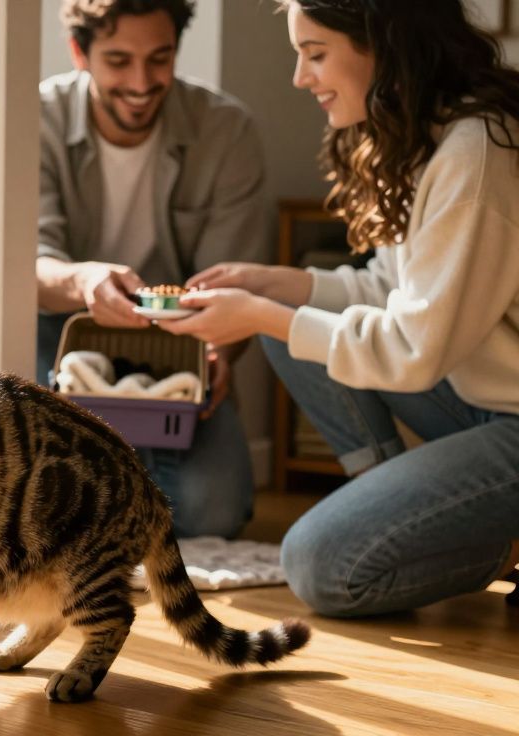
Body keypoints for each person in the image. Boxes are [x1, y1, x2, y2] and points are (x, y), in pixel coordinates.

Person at [159, 0, 519, 617]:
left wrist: (260, 313)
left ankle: (499, 546)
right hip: (481, 398)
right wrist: (280, 285)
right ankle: (397, 513)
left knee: (323, 567)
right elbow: (392, 288)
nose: (301, 78)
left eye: (315, 54)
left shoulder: (474, 155)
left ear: (384, 43)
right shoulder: (422, 135)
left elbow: (412, 348)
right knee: (281, 322)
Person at [38, 0, 270, 538]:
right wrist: (85, 281)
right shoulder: (38, 119)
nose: (141, 82)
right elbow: (28, 267)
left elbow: (232, 287)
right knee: (49, 505)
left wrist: (217, 355)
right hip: (62, 334)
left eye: (159, 59)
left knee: (212, 511)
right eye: (118, 61)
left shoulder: (226, 130)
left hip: (180, 342)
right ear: (80, 53)